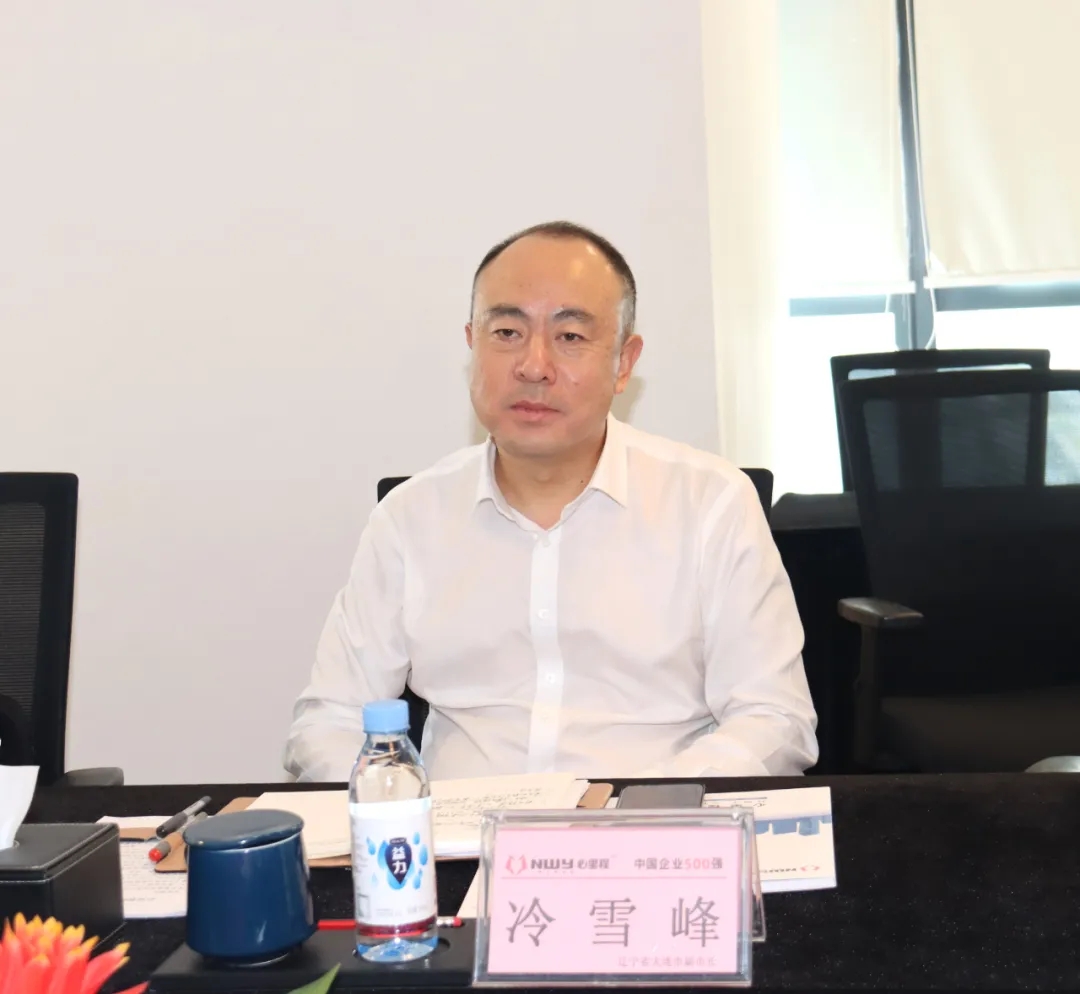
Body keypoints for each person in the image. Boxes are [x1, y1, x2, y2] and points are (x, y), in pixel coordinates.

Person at [285, 221, 817, 781]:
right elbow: (328, 720)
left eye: (570, 337)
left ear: (624, 361)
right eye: (507, 331)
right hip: (453, 827)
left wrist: (652, 811)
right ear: (472, 345)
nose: (534, 366)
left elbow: (774, 718)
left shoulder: (711, 503)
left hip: (652, 822)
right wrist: (396, 809)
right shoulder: (410, 516)